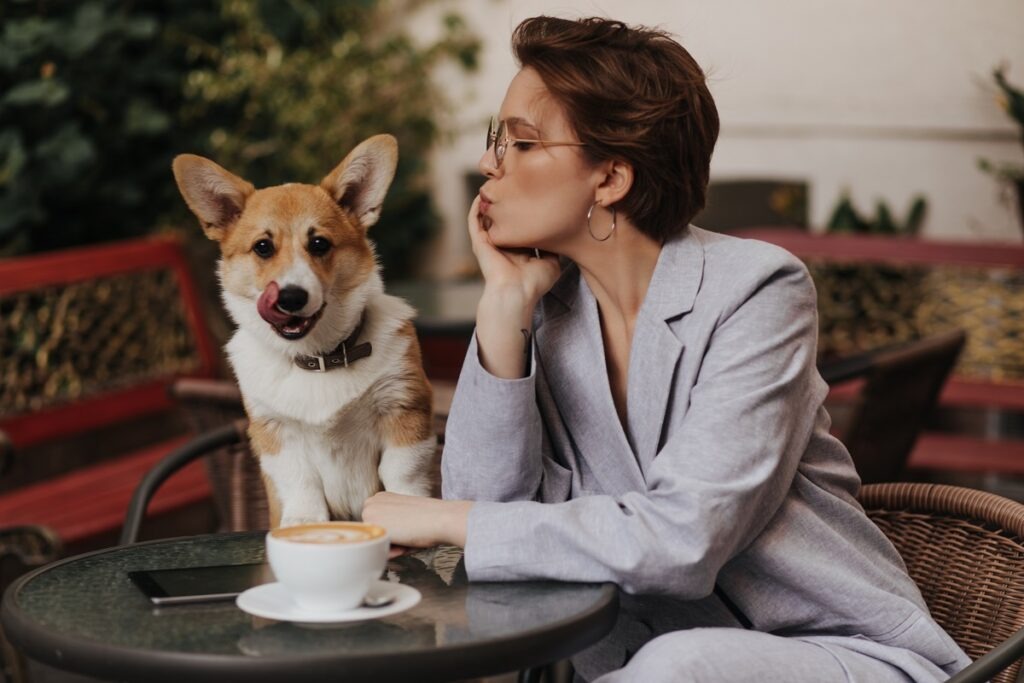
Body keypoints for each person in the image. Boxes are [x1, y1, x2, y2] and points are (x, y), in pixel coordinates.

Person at [363, 15, 969, 682]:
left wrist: (448, 519)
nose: (489, 164)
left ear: (611, 177)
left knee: (680, 663)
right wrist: (503, 308)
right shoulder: (545, 311)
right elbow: (489, 535)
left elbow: (683, 541)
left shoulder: (757, 291)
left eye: (523, 143)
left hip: (841, 654)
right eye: (495, 140)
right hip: (641, 669)